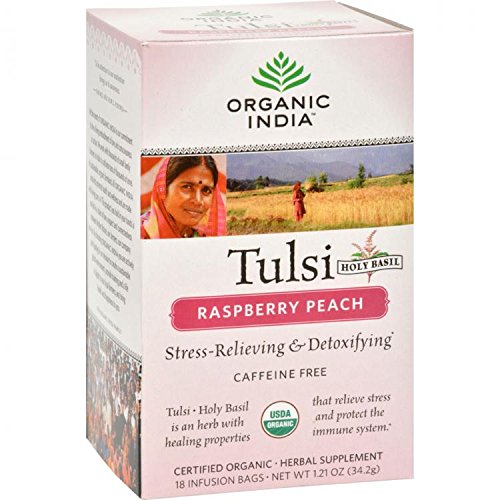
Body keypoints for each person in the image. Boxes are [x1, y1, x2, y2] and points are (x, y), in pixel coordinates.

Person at [141, 156, 225, 238]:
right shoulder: (140, 236)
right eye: (187, 187)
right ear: (162, 189)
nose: (198, 201)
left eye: (206, 190)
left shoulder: (205, 237)